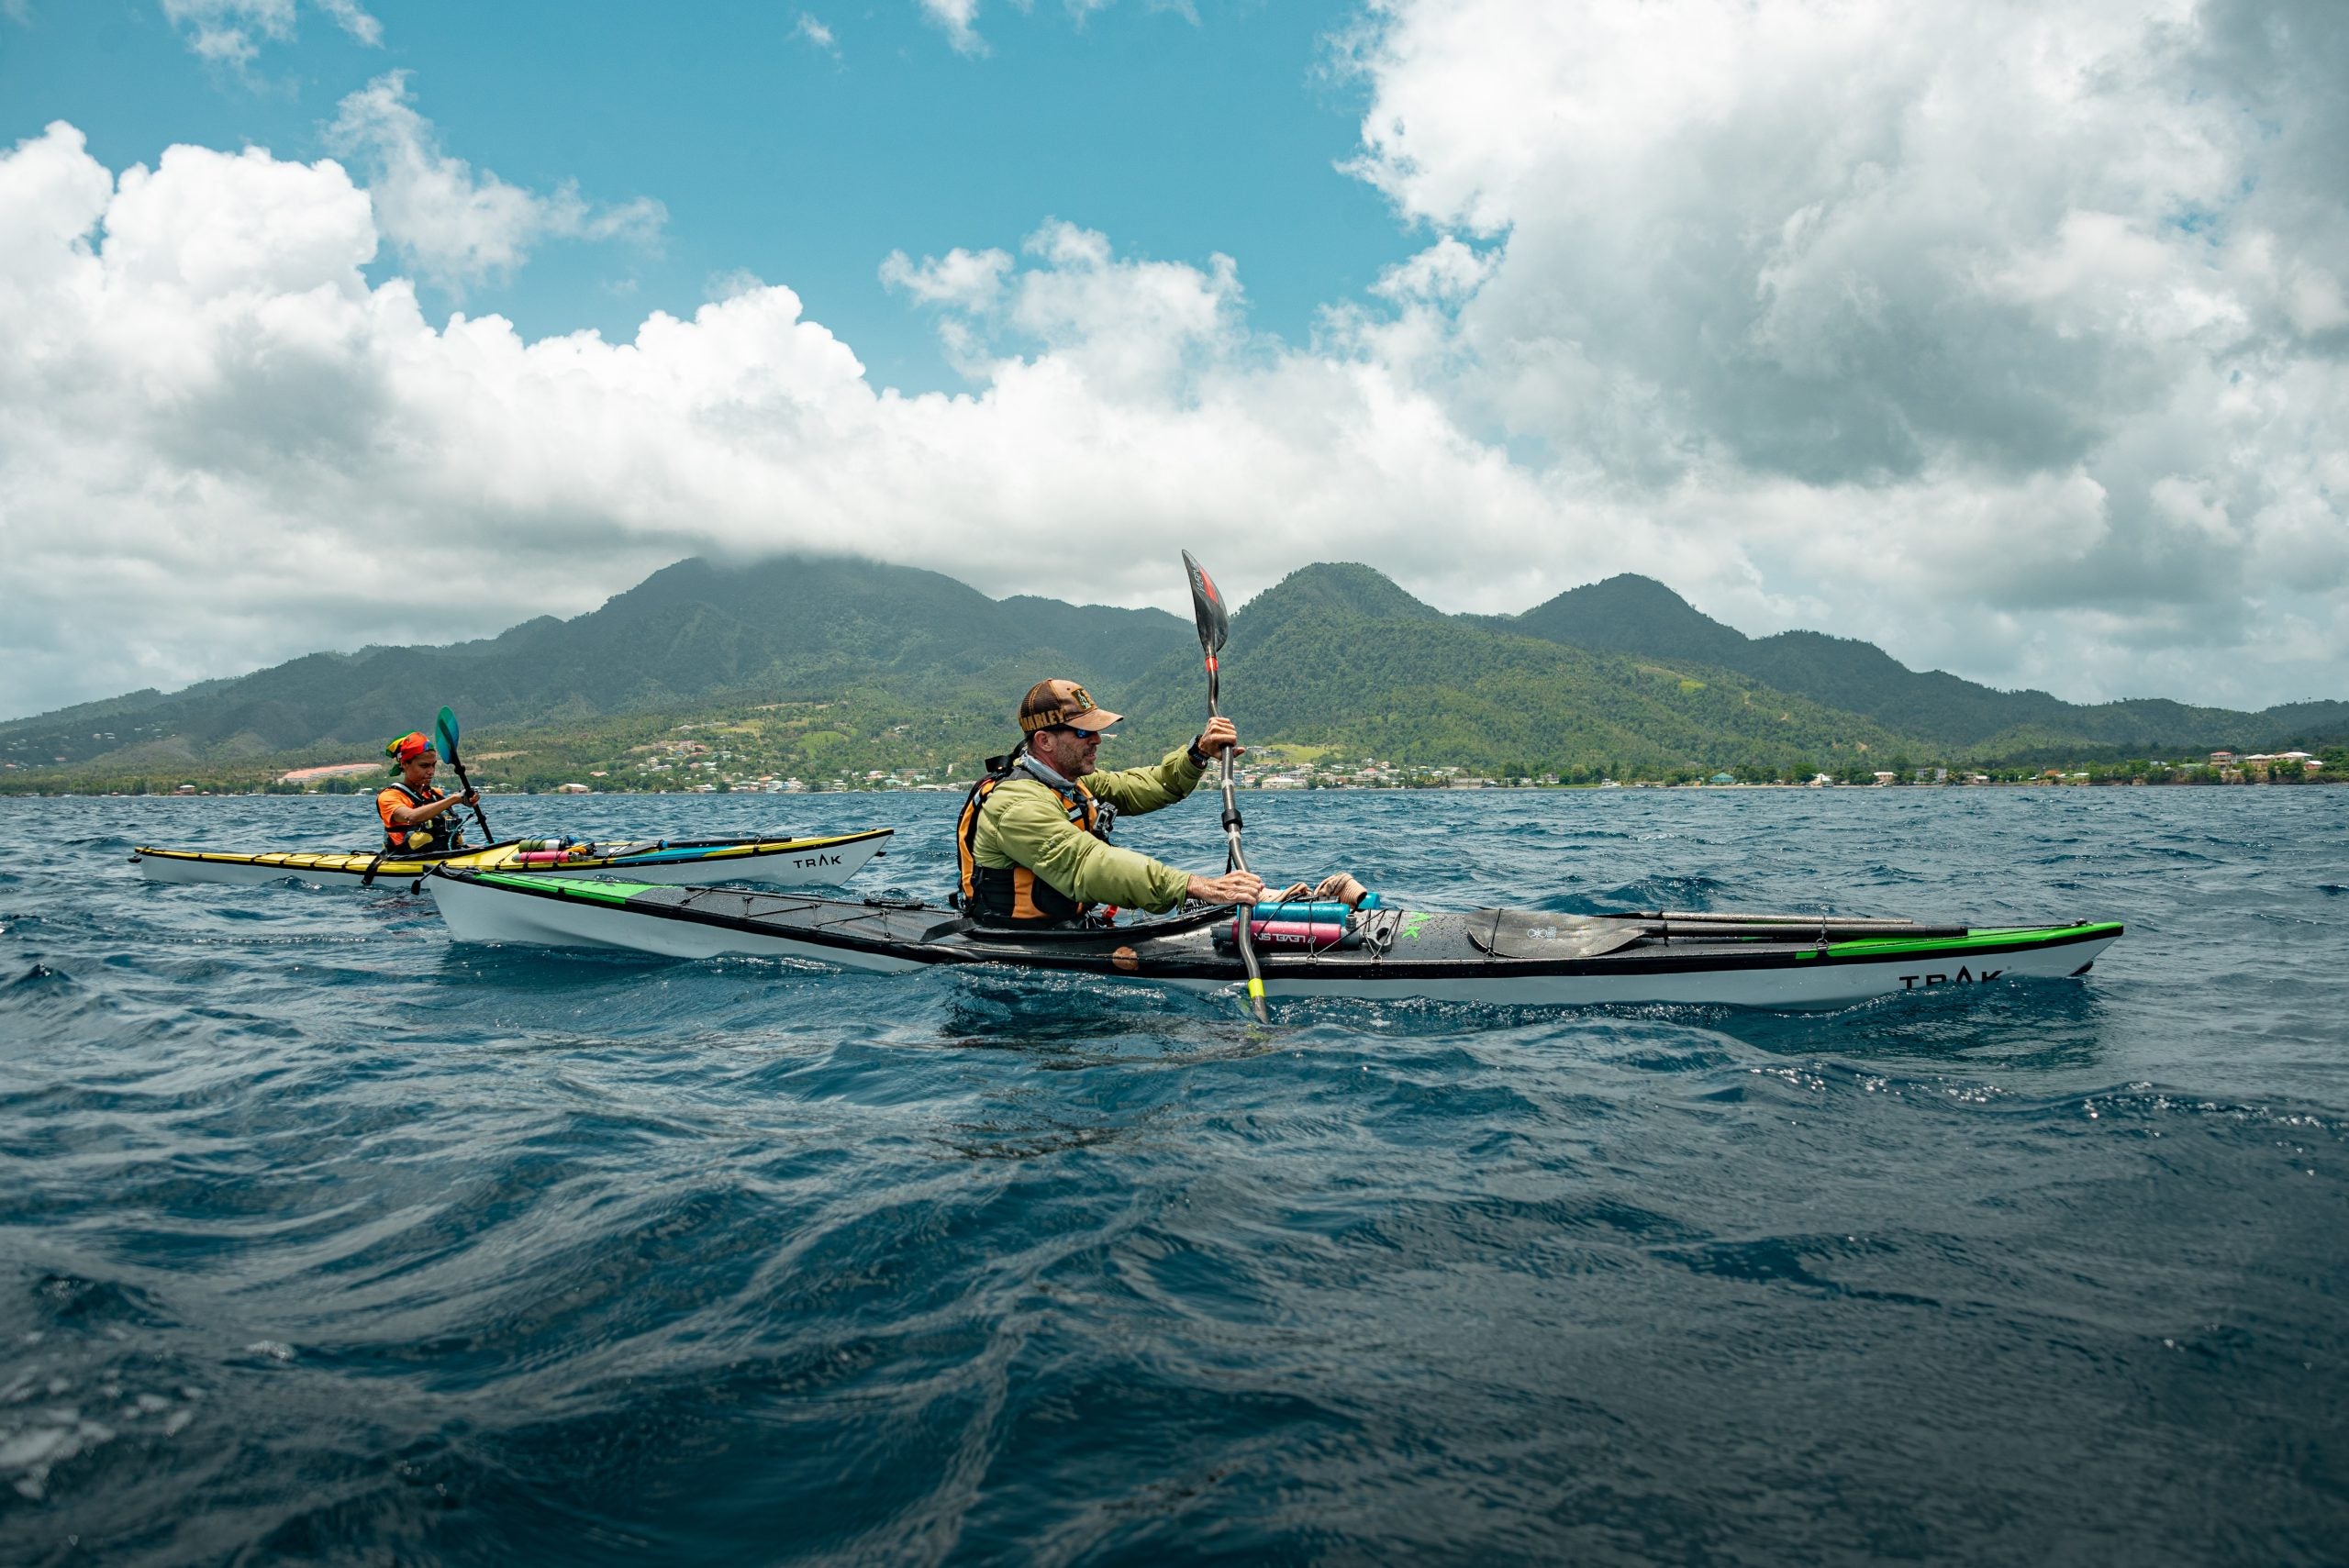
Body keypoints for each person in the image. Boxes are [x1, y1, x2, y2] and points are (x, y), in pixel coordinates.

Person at [955, 678, 1264, 926]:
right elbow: (1086, 865)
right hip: (1012, 947)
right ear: (1044, 740)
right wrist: (1194, 886)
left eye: (1096, 730)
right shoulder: (1016, 805)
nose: (1097, 739)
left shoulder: (1073, 784)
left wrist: (1198, 754)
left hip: (1066, 924)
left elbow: (1154, 785)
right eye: (1083, 731)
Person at [376, 731, 478, 855]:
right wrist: (454, 799)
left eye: (433, 765)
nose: (431, 771)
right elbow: (411, 817)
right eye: (424, 766)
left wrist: (466, 800)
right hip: (406, 861)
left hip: (445, 857)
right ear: (404, 764)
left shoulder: (435, 794)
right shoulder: (389, 796)